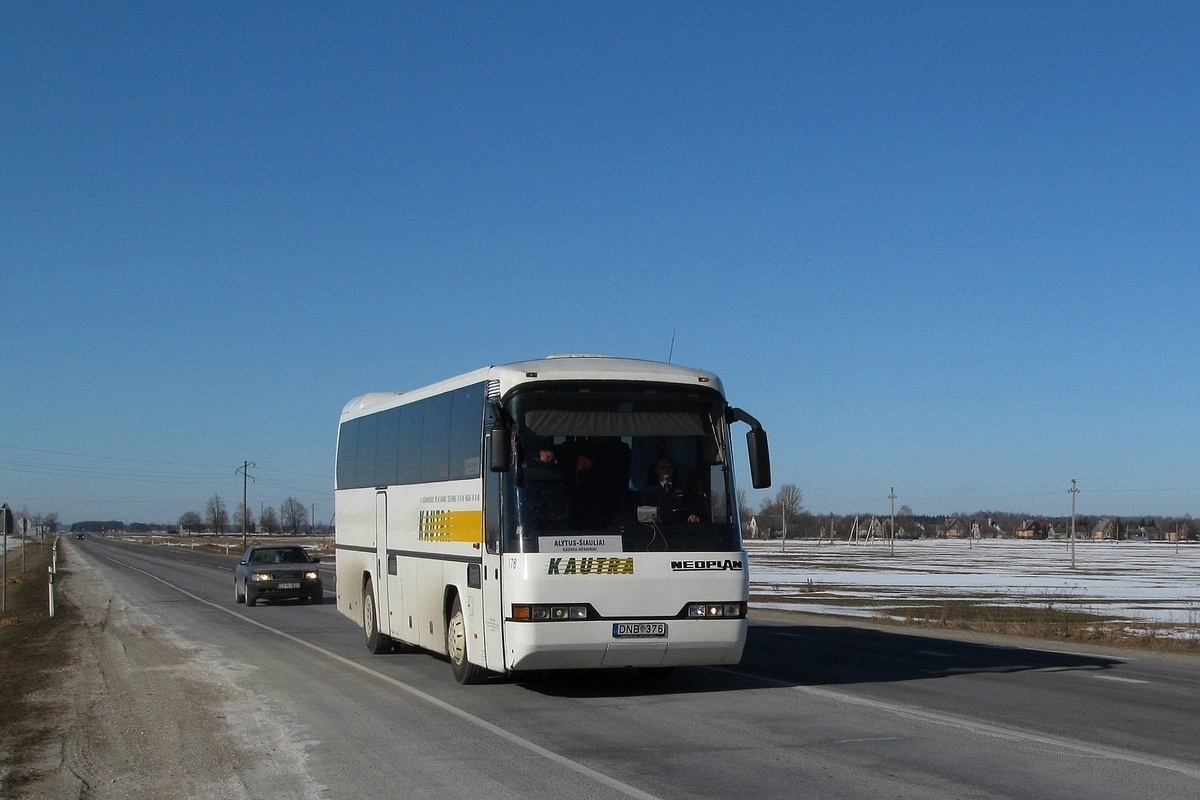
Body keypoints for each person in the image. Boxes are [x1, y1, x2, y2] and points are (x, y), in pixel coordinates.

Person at [641, 458, 699, 522]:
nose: (666, 470)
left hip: (681, 528)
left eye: (669, 467)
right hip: (658, 528)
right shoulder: (649, 491)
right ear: (656, 470)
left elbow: (691, 507)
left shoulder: (683, 488)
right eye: (662, 468)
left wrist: (692, 514)